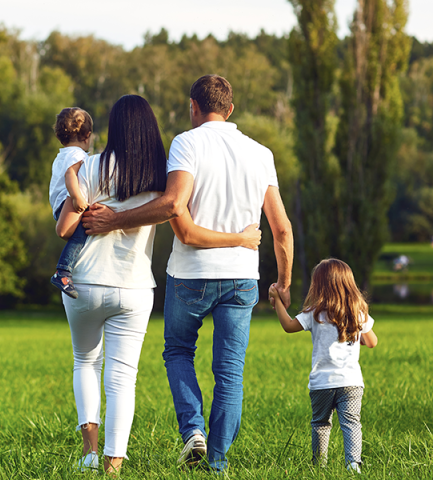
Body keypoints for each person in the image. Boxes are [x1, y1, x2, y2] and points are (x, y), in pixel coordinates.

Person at [81, 75, 294, 473]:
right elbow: (281, 228)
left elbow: (173, 204)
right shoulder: (260, 153)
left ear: (193, 106)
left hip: (190, 275)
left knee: (178, 351)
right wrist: (283, 283)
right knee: (230, 370)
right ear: (230, 109)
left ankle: (193, 433)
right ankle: (217, 462)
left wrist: (114, 220)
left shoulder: (186, 143)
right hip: (242, 277)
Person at [269, 258, 378, 474]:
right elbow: (372, 342)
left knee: (320, 424)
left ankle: (319, 466)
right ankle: (353, 465)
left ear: (318, 285)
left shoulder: (315, 312)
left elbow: (289, 326)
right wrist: (357, 336)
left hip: (322, 383)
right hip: (351, 382)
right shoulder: (358, 312)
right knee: (351, 423)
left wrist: (277, 301)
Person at [49, 107, 92, 299]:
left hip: (59, 206)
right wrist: (76, 197)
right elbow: (70, 175)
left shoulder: (61, 155)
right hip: (69, 203)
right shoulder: (78, 156)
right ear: (87, 136)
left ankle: (67, 270)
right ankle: (63, 271)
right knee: (81, 233)